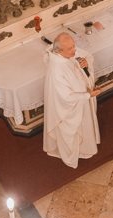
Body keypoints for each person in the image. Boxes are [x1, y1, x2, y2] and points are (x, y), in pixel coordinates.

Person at [43, 32, 100, 168]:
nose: (75, 50)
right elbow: (66, 98)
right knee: (74, 130)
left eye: (74, 46)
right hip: (72, 107)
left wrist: (86, 63)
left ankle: (87, 145)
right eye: (71, 49)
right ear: (59, 51)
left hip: (82, 99)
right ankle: (78, 152)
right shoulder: (56, 69)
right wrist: (88, 95)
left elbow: (87, 57)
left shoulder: (68, 52)